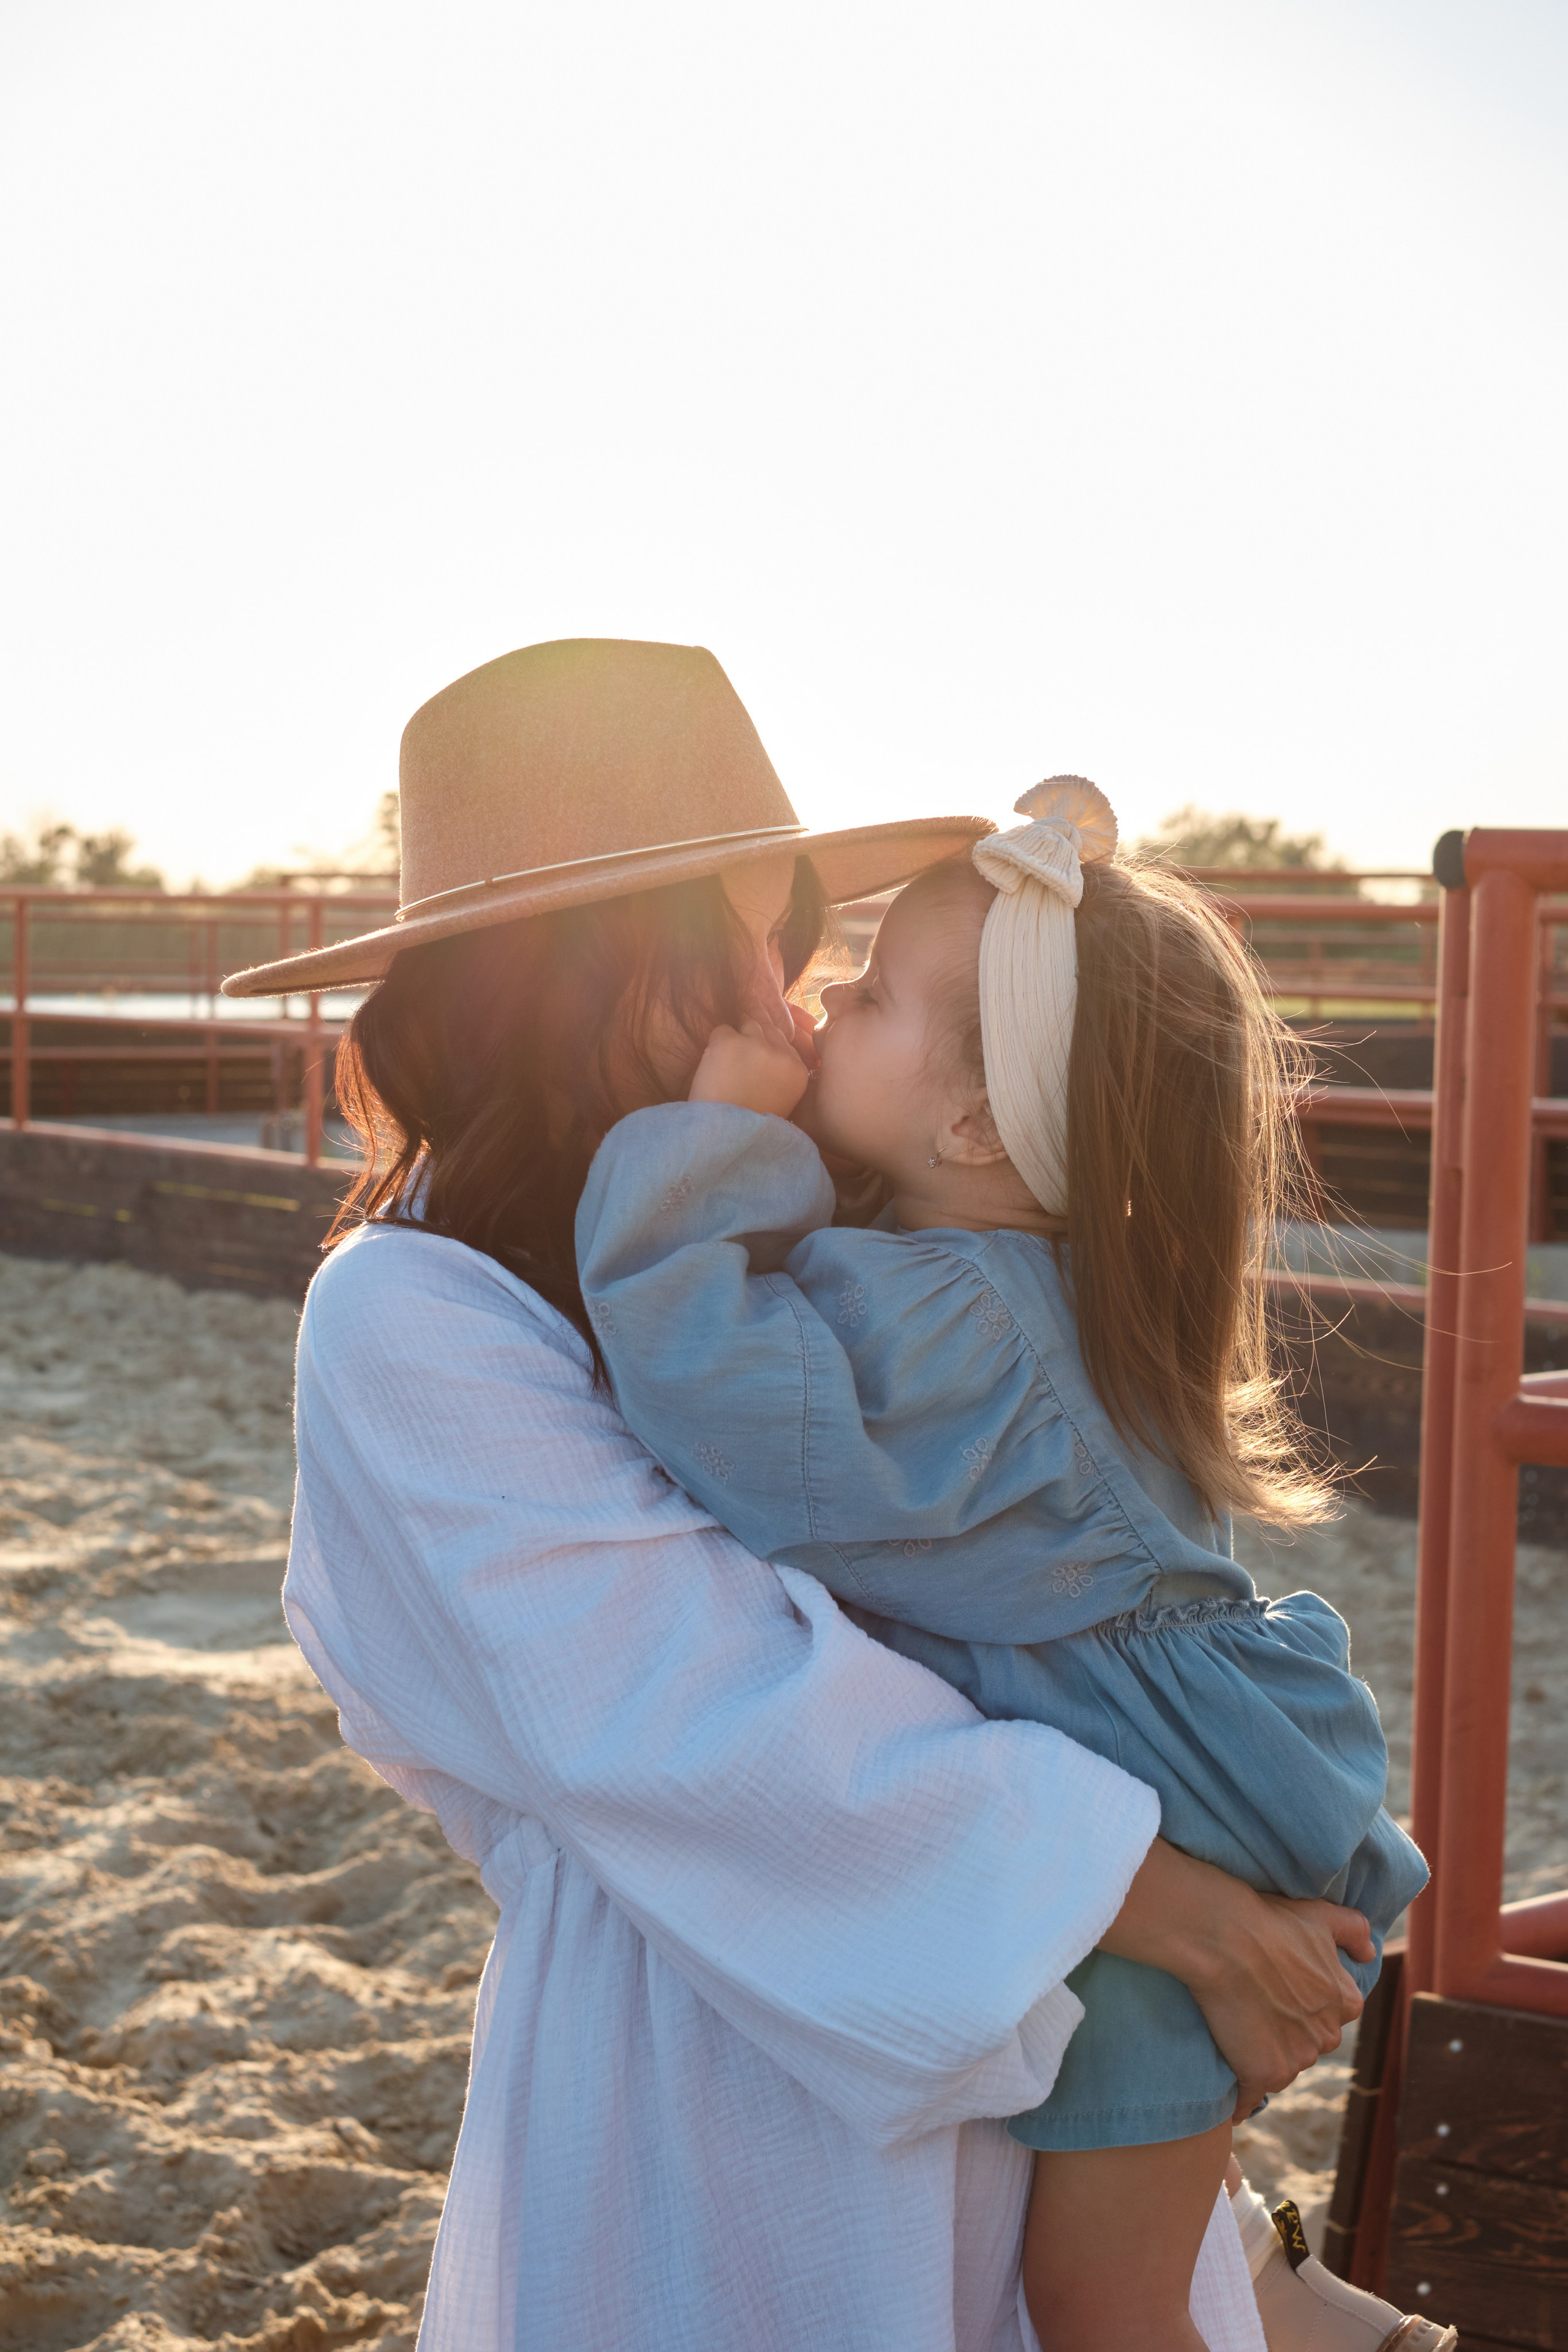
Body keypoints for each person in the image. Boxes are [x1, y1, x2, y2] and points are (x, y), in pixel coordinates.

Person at [224, 641, 1371, 2352]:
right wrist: (1187, 1912)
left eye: (812, 954)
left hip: (1009, 2005)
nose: (800, 1000)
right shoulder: (415, 1316)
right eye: (759, 949)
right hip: (707, 2067)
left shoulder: (828, 1234)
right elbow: (702, 1715)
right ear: (604, 971)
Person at [574, 775, 1450, 2352]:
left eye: (879, 989)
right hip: (1175, 1774)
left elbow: (717, 1394)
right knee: (1123, 2286)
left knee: (1105, 2313)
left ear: (973, 1123)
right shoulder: (1022, 1278)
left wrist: (708, 1140)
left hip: (1156, 1796)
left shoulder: (953, 1325)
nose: (827, 994)